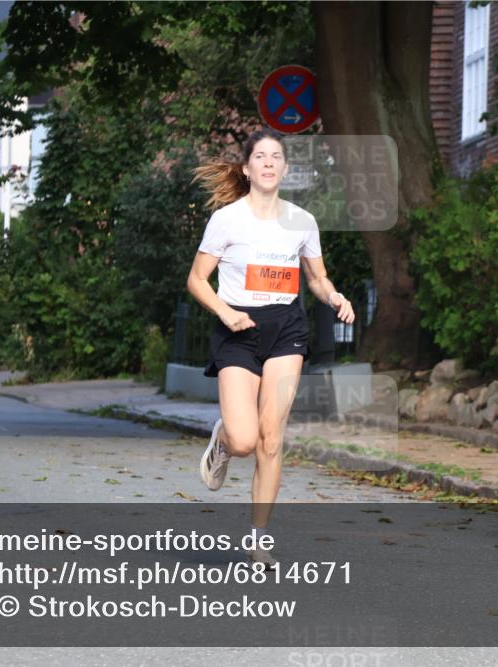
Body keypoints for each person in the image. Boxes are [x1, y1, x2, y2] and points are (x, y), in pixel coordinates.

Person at [186, 128, 355, 568]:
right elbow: (197, 280)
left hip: (286, 330)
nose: (267, 162)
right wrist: (225, 313)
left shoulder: (302, 221)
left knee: (272, 438)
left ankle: (258, 540)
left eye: (275, 156)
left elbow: (316, 277)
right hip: (238, 328)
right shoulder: (227, 219)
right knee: (245, 440)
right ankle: (223, 441)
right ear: (246, 168)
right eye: (259, 156)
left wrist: (334, 296)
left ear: (284, 168)